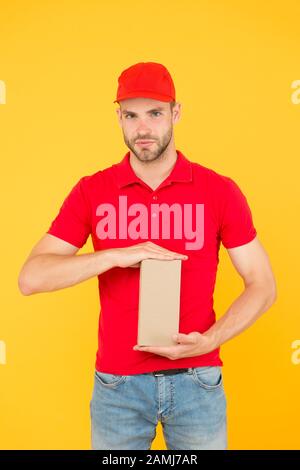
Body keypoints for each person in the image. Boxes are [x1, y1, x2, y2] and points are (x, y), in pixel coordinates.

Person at [18, 61, 277, 450]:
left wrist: (210, 341)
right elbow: (31, 278)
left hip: (197, 380)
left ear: (176, 113)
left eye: (155, 113)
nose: (142, 128)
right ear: (118, 118)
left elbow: (263, 285)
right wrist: (113, 256)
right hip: (117, 386)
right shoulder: (92, 190)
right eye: (131, 115)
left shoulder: (219, 190)